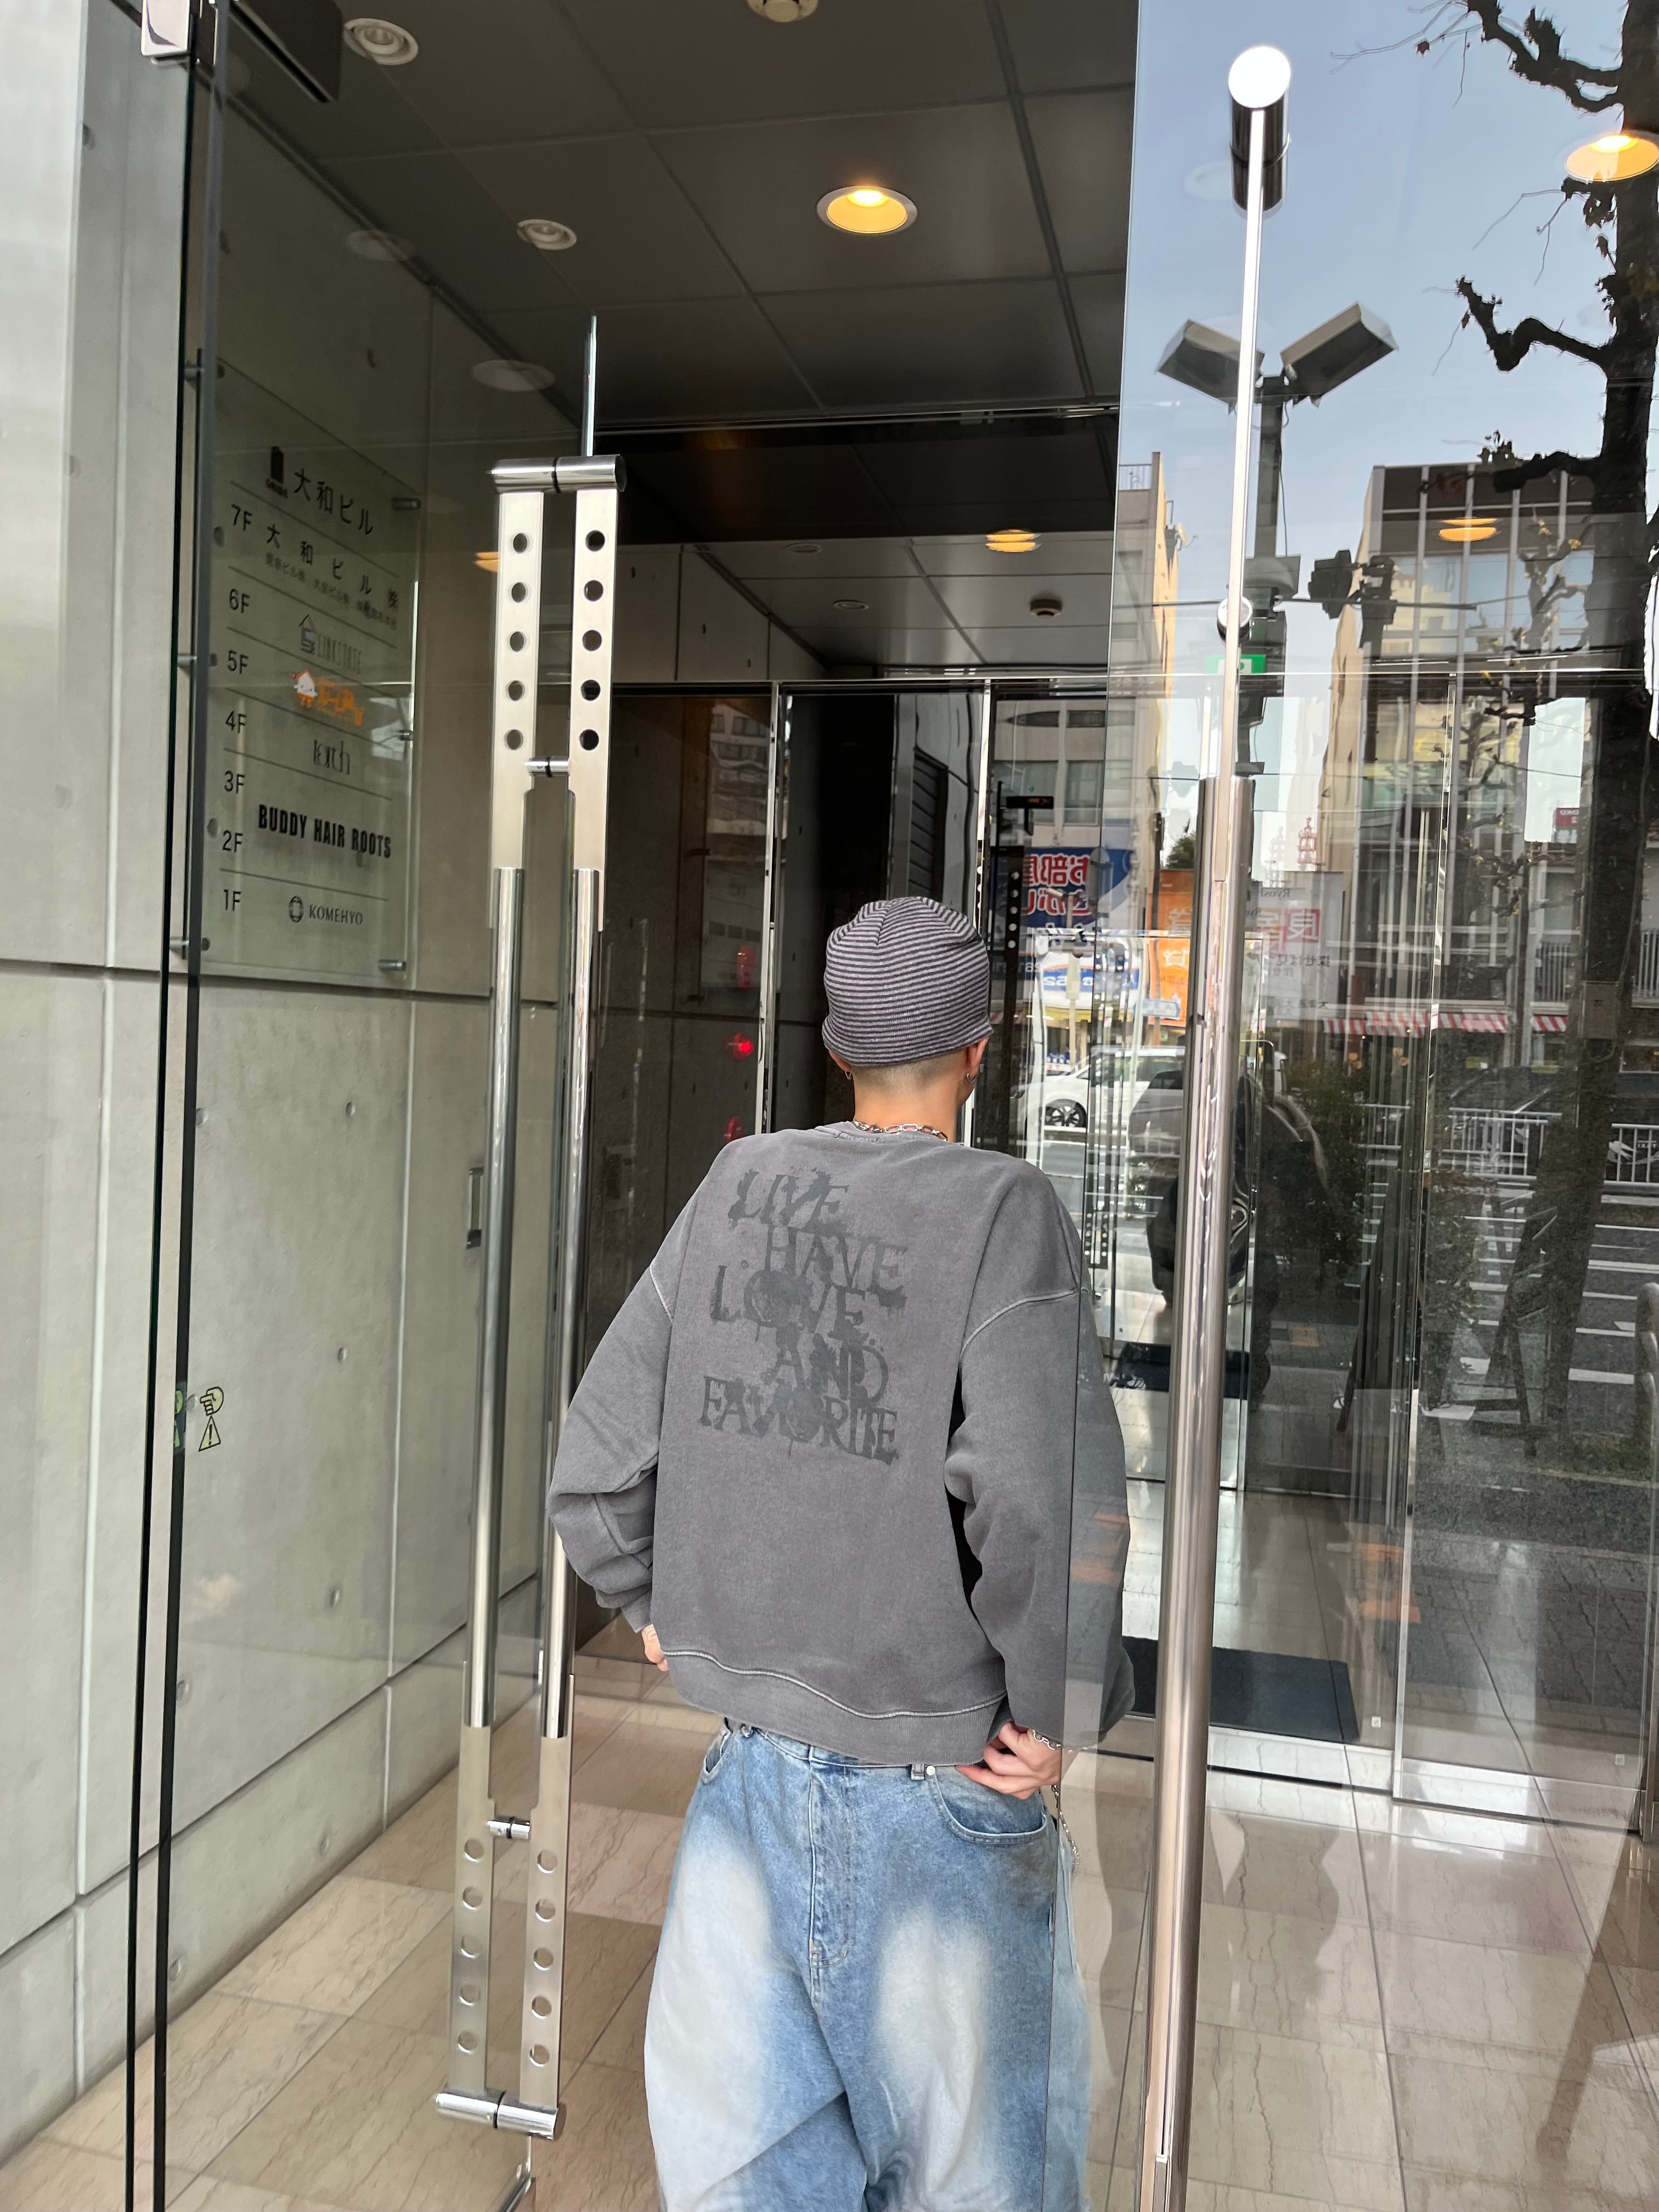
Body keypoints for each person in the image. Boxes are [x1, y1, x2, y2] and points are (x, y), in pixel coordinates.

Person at [550, 894, 1132, 2212]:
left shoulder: (739, 1186)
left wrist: (650, 1601)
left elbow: (598, 1461)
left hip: (746, 1792)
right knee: (977, 2185)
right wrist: (1055, 1709)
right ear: (980, 1047)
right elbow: (1041, 1506)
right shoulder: (1006, 1212)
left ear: (837, 1047)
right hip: (944, 1800)